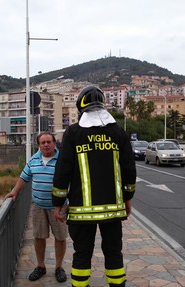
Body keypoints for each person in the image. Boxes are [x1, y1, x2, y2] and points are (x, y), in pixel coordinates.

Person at [52, 86, 137, 287]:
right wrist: (127, 199)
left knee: (82, 254)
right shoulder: (119, 133)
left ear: (81, 106)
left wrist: (58, 203)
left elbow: (63, 171)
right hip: (113, 211)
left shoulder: (73, 133)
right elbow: (129, 171)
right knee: (114, 253)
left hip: (81, 213)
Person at [5, 132, 68, 283]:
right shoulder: (33, 160)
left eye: (49, 142)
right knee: (39, 237)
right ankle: (41, 266)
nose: (46, 145)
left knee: (60, 238)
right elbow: (23, 177)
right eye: (43, 143)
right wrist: (14, 192)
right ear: (38, 145)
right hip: (38, 206)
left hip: (58, 207)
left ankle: (59, 267)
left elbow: (72, 180)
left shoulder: (63, 160)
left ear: (54, 143)